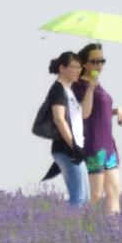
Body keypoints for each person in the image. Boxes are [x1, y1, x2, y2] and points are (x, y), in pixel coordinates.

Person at [72, 43, 122, 216]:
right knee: (94, 196)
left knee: (114, 191)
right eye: (94, 61)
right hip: (93, 147)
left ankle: (113, 233)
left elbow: (100, 113)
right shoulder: (79, 86)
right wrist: (90, 88)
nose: (99, 65)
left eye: (102, 61)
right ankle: (76, 227)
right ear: (84, 63)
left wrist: (116, 111)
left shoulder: (98, 84)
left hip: (108, 146)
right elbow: (85, 114)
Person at [40, 52, 89, 207]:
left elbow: (84, 114)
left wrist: (91, 88)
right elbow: (59, 119)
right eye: (74, 67)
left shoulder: (69, 90)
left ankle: (65, 226)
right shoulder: (58, 90)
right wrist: (73, 146)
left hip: (75, 150)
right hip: (67, 150)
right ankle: (57, 227)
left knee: (84, 198)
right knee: (78, 199)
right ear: (62, 68)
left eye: (80, 68)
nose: (78, 71)